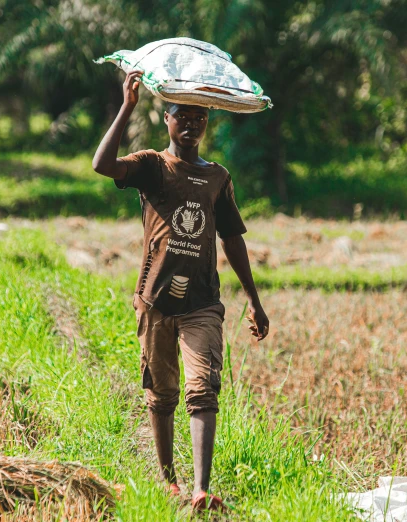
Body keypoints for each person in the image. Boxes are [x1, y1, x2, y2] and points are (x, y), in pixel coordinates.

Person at [92, 70, 270, 512]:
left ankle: (201, 489)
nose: (191, 124)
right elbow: (102, 165)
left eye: (199, 118)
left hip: (202, 304)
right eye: (182, 116)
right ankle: (168, 481)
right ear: (166, 119)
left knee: (202, 389)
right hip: (154, 301)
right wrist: (127, 106)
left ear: (207, 125)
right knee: (161, 393)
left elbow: (232, 239)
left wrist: (253, 298)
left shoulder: (217, 178)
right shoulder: (153, 165)